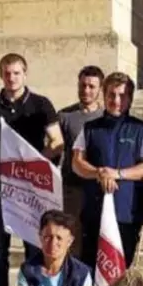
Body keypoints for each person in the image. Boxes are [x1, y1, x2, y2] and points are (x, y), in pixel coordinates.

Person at [0, 53, 64, 286]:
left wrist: (37, 162)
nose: (11, 78)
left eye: (16, 73)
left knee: (33, 248)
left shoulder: (41, 104)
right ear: (1, 75)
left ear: (25, 74)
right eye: (7, 73)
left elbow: (57, 141)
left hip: (30, 190)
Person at [71, 72, 143, 269]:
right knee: (90, 268)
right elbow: (76, 162)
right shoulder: (89, 128)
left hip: (127, 212)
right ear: (104, 94)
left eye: (122, 95)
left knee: (120, 269)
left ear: (130, 98)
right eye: (111, 94)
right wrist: (99, 173)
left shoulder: (141, 129)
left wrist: (117, 174)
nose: (116, 100)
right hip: (94, 211)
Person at [58, 65, 106, 258]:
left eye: (91, 86)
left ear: (100, 89)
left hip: (99, 188)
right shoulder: (64, 116)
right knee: (72, 240)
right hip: (72, 188)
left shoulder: (106, 117)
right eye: (83, 85)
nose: (86, 90)